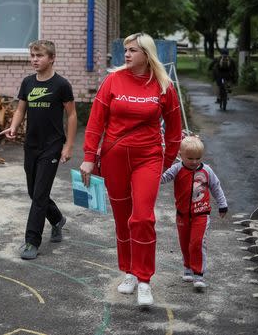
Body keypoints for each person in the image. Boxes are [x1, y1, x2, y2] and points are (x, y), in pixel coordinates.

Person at [79, 32, 182, 308]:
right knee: (123, 218)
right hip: (114, 158)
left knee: (143, 218)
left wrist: (168, 161)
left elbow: (174, 129)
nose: (126, 54)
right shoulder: (113, 80)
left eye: (133, 50)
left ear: (146, 55)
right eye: (125, 49)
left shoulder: (163, 85)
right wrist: (90, 157)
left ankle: (145, 279)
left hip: (148, 158)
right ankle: (129, 272)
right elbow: (95, 121)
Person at [2, 39, 77, 261]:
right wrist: (14, 126)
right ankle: (57, 219)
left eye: (40, 56)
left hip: (52, 146)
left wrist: (68, 146)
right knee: (34, 192)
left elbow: (72, 115)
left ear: (52, 58)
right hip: (31, 145)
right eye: (32, 56)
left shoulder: (61, 84)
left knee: (40, 194)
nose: (35, 59)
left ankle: (31, 241)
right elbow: (20, 109)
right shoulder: (27, 83)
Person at [160, 135, 228, 291]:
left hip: (201, 214)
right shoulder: (177, 169)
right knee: (185, 243)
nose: (194, 161)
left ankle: (199, 274)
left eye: (198, 158)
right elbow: (163, 178)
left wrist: (222, 205)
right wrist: (154, 171)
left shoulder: (207, 170)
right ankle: (188, 268)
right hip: (182, 214)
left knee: (196, 243)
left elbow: (216, 187)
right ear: (181, 155)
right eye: (190, 158)